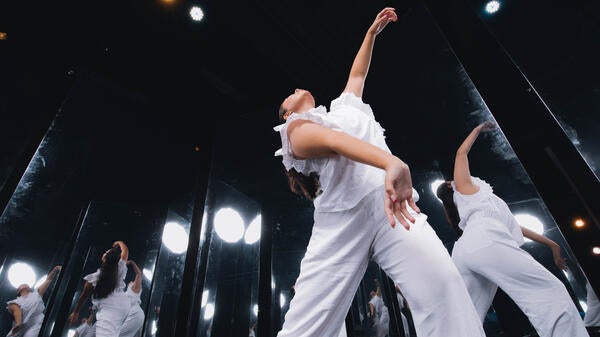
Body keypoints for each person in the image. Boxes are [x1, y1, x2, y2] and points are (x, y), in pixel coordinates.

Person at [273, 7, 485, 337]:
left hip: (392, 206)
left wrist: (371, 34)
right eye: (289, 96)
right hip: (341, 221)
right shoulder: (295, 130)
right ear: (286, 115)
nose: (296, 88)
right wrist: (390, 162)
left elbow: (356, 78)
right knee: (308, 325)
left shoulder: (344, 109)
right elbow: (333, 141)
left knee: (444, 286)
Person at [435, 121, 590, 337]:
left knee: (466, 315)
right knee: (549, 292)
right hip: (487, 240)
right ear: (453, 186)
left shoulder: (483, 201)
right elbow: (461, 154)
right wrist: (477, 129)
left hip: (467, 249)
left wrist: (552, 244)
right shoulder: (465, 189)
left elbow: (516, 227)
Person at [68, 241, 131, 337]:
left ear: (104, 259)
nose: (104, 253)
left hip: (109, 310)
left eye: (106, 253)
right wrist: (120, 243)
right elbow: (125, 250)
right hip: (124, 305)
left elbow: (83, 297)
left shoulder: (95, 278)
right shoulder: (120, 267)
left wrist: (76, 312)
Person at [5, 265, 61, 337]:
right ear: (18, 291)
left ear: (29, 287)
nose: (24, 284)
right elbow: (17, 311)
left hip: (37, 322)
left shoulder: (36, 293)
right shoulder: (14, 302)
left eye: (26, 284)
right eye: (21, 284)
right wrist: (18, 324)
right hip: (21, 325)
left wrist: (54, 269)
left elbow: (48, 280)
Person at [119, 260, 145, 337]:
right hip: (132, 314)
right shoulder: (126, 293)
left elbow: (138, 274)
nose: (132, 281)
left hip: (135, 313)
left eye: (133, 281)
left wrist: (132, 263)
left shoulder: (134, 289)